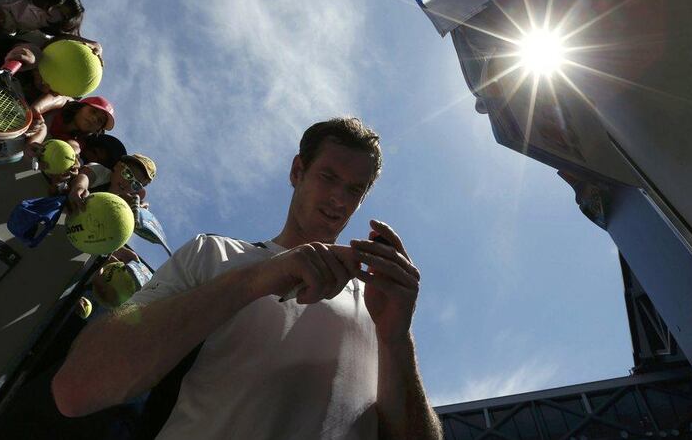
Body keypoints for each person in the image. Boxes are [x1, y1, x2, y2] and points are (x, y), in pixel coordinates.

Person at [52, 117, 442, 439]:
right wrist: (256, 279)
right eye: (328, 177)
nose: (339, 199)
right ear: (297, 171)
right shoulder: (214, 255)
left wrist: (396, 337)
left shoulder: (380, 307)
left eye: (354, 189)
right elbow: (77, 388)